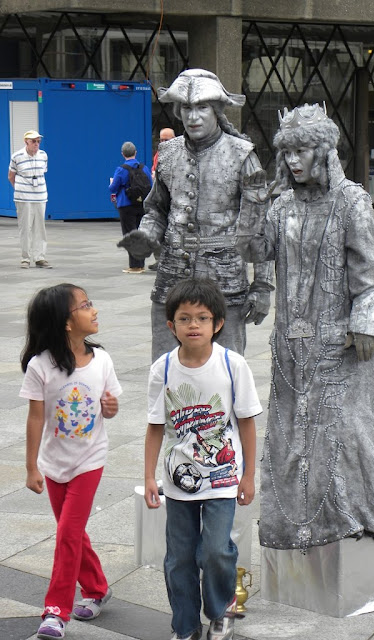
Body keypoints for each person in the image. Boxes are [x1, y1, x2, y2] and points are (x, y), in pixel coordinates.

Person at [236, 104, 374, 553]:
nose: (293, 160)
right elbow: (253, 249)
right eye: (287, 151)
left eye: (303, 150)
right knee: (292, 433)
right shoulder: (282, 203)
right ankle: (297, 525)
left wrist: (365, 322)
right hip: (291, 343)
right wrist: (253, 201)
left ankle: (359, 517)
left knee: (347, 431)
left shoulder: (352, 202)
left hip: (338, 342)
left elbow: (369, 274)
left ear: (324, 151)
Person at [118, 68, 273, 361]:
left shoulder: (243, 154)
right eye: (187, 108)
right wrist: (147, 234)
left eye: (202, 107)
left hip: (224, 283)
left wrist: (262, 286)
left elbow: (259, 227)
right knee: (165, 369)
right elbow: (156, 209)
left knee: (226, 373)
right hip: (171, 278)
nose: (193, 116)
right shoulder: (168, 153)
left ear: (216, 110)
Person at [144, 278, 261, 640]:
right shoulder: (162, 370)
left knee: (214, 550)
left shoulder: (232, 364)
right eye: (184, 318)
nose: (193, 325)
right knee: (178, 558)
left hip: (224, 478)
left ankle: (220, 608)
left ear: (218, 324)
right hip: (179, 482)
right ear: (171, 326)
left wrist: (249, 476)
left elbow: (247, 424)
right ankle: (184, 627)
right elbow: (155, 427)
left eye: (202, 318)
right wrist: (149, 476)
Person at [19, 283, 122, 639]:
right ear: (66, 322)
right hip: (54, 463)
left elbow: (110, 404)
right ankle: (97, 588)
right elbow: (35, 418)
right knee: (73, 533)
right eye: (85, 305)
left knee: (66, 534)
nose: (94, 310)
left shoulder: (102, 359)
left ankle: (55, 612)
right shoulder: (40, 366)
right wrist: (32, 466)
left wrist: (111, 408)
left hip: (89, 461)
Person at [8, 129, 52, 269]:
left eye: (38, 141)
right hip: (23, 196)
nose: (36, 144)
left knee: (40, 228)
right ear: (26, 141)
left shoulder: (43, 155)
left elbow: (42, 173)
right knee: (25, 227)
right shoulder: (17, 156)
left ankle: (40, 257)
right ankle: (25, 258)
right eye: (33, 141)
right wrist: (19, 189)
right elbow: (11, 176)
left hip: (40, 196)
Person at [109, 141, 153, 273]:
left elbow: (113, 188)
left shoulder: (121, 169)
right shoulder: (143, 168)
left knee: (130, 234)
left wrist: (111, 183)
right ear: (135, 153)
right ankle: (140, 264)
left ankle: (134, 266)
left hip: (126, 205)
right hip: (141, 205)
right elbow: (150, 184)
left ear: (123, 154)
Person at [149, 127, 176, 271]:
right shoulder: (158, 155)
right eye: (161, 140)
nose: (164, 142)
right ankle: (160, 259)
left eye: (167, 140)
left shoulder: (181, 154)